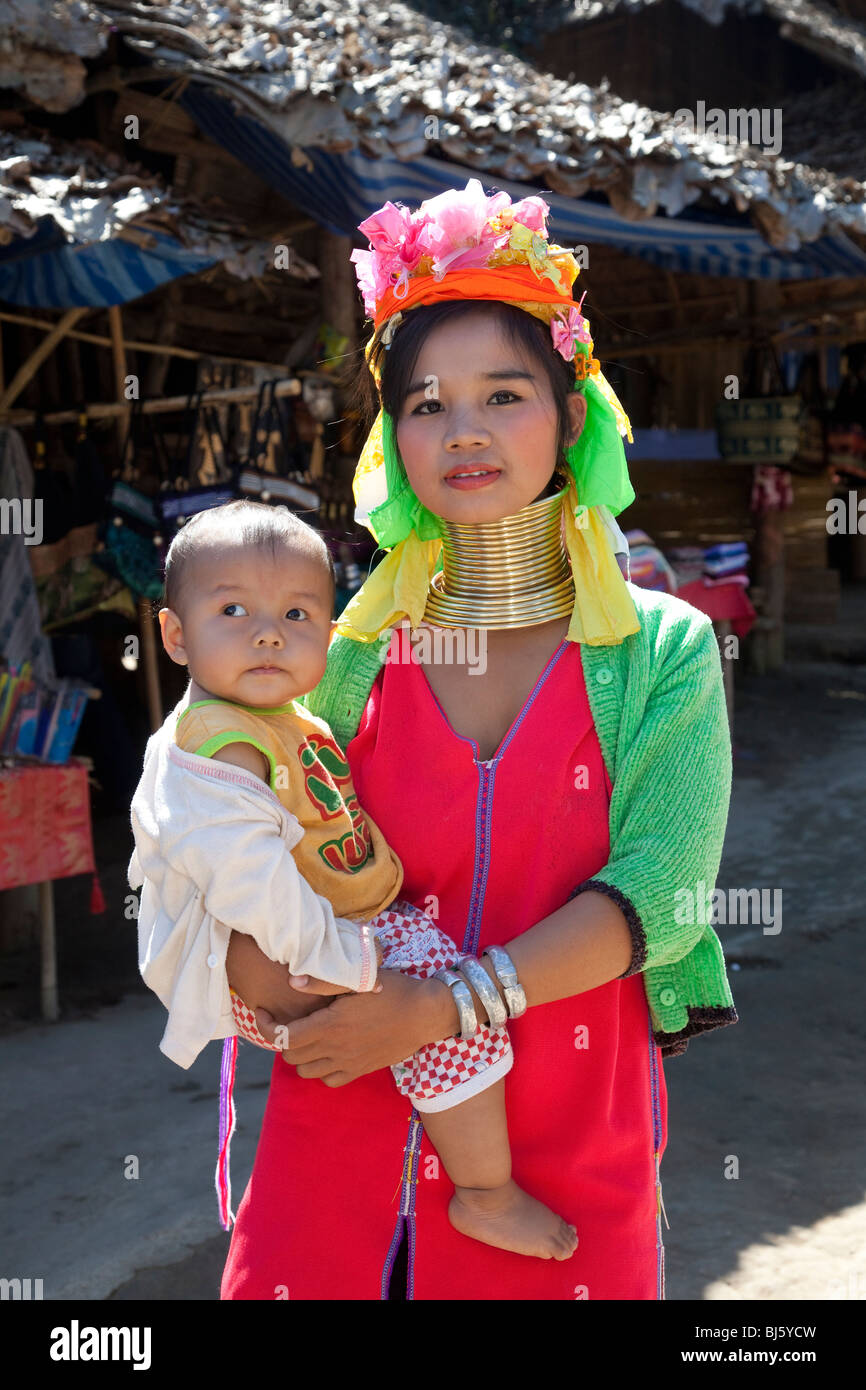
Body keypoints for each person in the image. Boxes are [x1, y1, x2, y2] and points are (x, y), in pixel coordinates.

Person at [219, 179, 737, 1300]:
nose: (462, 432)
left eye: (502, 394)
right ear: (390, 434)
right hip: (340, 1136)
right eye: (425, 404)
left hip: (562, 1156)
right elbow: (254, 862)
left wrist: (448, 1004)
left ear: (572, 413)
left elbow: (663, 890)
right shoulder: (341, 651)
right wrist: (255, 972)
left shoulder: (663, 653)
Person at [129, 498, 579, 1258]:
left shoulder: (282, 715)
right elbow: (253, 890)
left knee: (427, 1008)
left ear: (331, 635)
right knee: (448, 1020)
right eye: (232, 609)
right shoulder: (214, 750)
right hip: (296, 943)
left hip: (326, 927)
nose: (269, 632)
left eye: (299, 613)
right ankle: (486, 1193)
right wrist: (357, 968)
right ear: (175, 635)